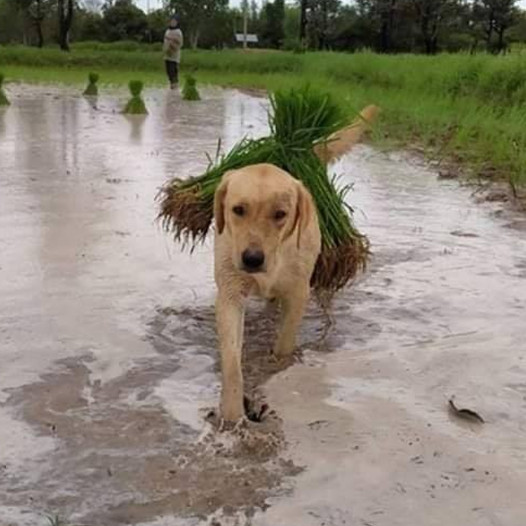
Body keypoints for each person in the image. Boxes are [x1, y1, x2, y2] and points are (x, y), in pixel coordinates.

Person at [163, 15, 183, 89]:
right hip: (167, 54)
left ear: (177, 23)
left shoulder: (178, 31)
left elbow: (180, 42)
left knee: (173, 70)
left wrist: (171, 39)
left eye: (174, 21)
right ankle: (172, 85)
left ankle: (175, 86)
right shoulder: (167, 31)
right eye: (171, 21)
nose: (172, 23)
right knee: (168, 70)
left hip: (174, 54)